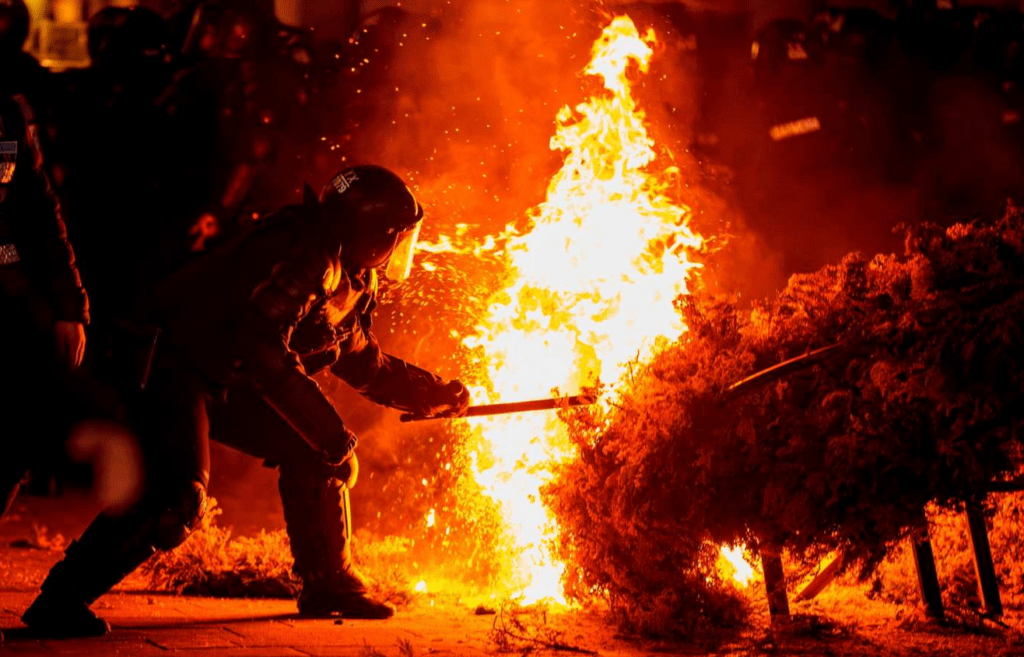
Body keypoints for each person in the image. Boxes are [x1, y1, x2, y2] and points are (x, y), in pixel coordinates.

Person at [22, 165, 470, 638]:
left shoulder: (347, 268)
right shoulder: (309, 257)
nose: (400, 251)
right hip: (170, 366)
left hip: (225, 375)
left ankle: (329, 584)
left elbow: (361, 361)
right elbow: (261, 346)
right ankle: (61, 601)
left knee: (314, 450)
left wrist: (433, 393)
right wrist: (331, 434)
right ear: (372, 234)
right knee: (179, 498)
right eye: (397, 238)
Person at [0, 92, 89, 573]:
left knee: (19, 438)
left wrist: (68, 307)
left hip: (10, 305)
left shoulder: (9, 113)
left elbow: (41, 210)